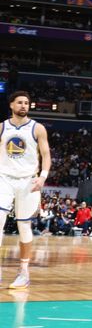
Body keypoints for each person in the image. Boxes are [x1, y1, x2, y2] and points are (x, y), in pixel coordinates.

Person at [0, 90, 52, 289]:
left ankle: (24, 272)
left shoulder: (37, 128)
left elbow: (46, 155)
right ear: (11, 105)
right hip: (4, 179)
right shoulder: (2, 127)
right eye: (20, 102)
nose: (24, 105)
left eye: (26, 103)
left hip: (29, 181)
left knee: (24, 226)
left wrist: (43, 177)